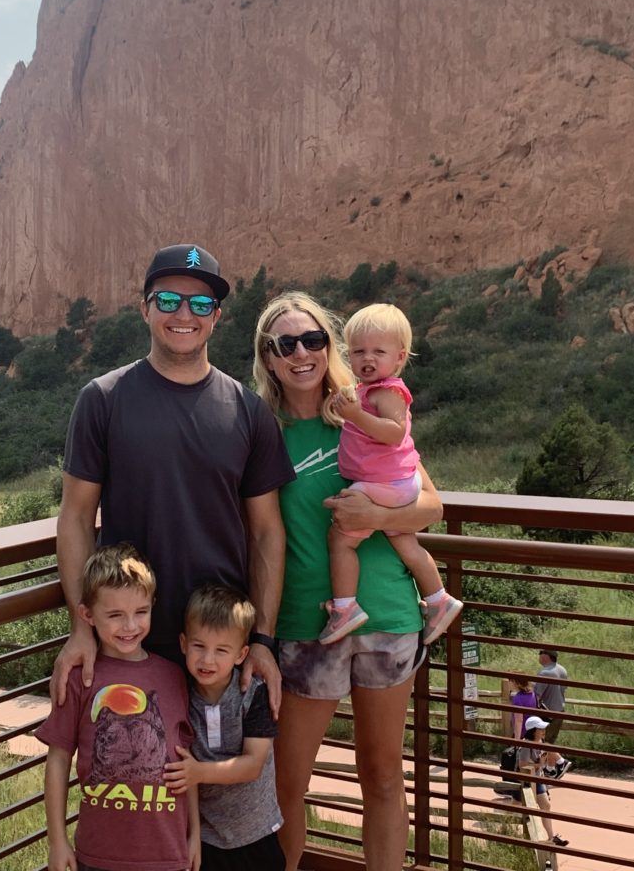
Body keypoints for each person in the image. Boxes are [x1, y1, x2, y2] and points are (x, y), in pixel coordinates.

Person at [51, 244, 295, 716]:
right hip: (130, 644)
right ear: (145, 309)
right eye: (168, 301)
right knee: (133, 784)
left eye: (200, 304)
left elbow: (266, 531)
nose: (184, 314)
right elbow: (76, 518)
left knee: (228, 788)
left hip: (219, 651)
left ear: (216, 317)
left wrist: (261, 639)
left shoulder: (249, 411)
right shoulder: (102, 399)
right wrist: (82, 629)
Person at [252, 291, 444, 871]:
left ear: (329, 346)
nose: (303, 353)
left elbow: (430, 505)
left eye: (314, 340)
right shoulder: (261, 431)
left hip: (387, 614)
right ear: (268, 356)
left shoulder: (370, 409)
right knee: (288, 784)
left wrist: (380, 519)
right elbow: (256, 534)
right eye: (287, 344)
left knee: (384, 776)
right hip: (306, 623)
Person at [36, 544, 200, 871]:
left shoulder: (173, 676)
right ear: (87, 615)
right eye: (114, 615)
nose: (130, 626)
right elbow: (57, 761)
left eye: (140, 612)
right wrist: (57, 841)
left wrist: (194, 833)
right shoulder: (79, 679)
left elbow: (186, 764)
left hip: (167, 854)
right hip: (98, 855)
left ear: (153, 605)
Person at [321, 303, 463, 645]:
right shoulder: (367, 391)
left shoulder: (388, 391)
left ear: (399, 358)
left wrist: (355, 416)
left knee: (340, 538)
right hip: (396, 482)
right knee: (403, 540)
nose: (367, 359)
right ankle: (438, 599)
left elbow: (394, 432)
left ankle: (345, 607)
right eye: (358, 351)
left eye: (378, 352)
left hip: (384, 485)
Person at [164, 584, 285, 871]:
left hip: (256, 834)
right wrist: (193, 833)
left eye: (221, 650)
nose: (208, 659)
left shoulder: (254, 695)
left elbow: (254, 764)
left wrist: (198, 772)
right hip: (208, 839)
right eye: (199, 646)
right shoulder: (179, 697)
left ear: (241, 654)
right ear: (183, 643)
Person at [516, 715, 570, 847]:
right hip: (525, 782)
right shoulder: (526, 746)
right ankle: (508, 833)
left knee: (545, 806)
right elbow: (522, 765)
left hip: (537, 780)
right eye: (540, 728)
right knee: (516, 808)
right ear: (533, 730)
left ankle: (552, 837)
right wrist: (540, 764)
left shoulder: (540, 743)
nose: (543, 730)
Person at [535, 648, 568, 743]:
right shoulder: (562, 670)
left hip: (547, 714)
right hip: (560, 712)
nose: (539, 655)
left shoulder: (544, 673)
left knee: (541, 743)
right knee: (550, 743)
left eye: (540, 653)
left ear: (546, 656)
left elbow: (537, 695)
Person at [509, 674, 538, 739]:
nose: (509, 683)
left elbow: (519, 721)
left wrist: (517, 740)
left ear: (515, 683)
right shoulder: (532, 694)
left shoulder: (517, 699)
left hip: (522, 735)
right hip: (532, 732)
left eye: (510, 680)